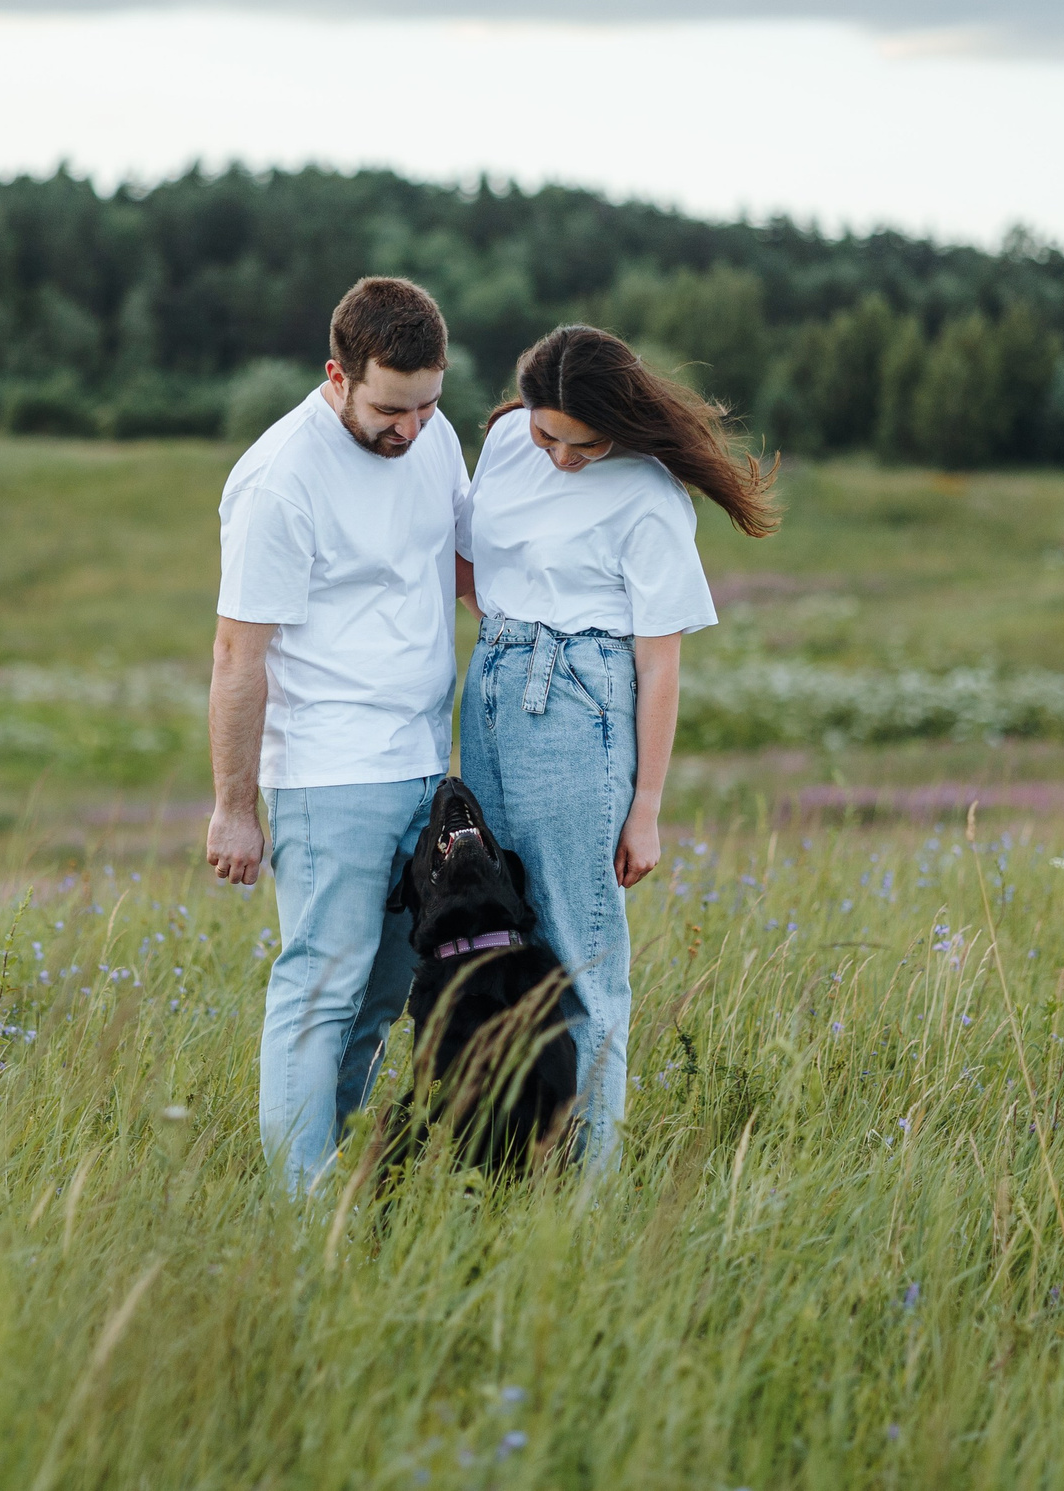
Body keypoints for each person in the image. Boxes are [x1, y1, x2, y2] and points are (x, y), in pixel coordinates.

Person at [456, 324, 777, 1168]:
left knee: (577, 946)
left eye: (583, 442)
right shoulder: (502, 441)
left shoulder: (650, 494)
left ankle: (585, 1182)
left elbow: (659, 665)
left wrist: (646, 806)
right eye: (546, 432)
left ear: (618, 423)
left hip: (578, 702)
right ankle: (508, 1153)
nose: (560, 454)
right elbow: (472, 558)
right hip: (489, 682)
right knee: (496, 931)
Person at [208, 276, 469, 1192]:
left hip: (418, 764)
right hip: (327, 775)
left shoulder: (433, 440)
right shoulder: (281, 479)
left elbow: (463, 565)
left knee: (380, 999)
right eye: (391, 410)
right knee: (320, 992)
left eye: (428, 406)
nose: (411, 429)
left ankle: (329, 1180)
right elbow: (239, 655)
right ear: (337, 375)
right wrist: (234, 809)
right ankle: (295, 1213)